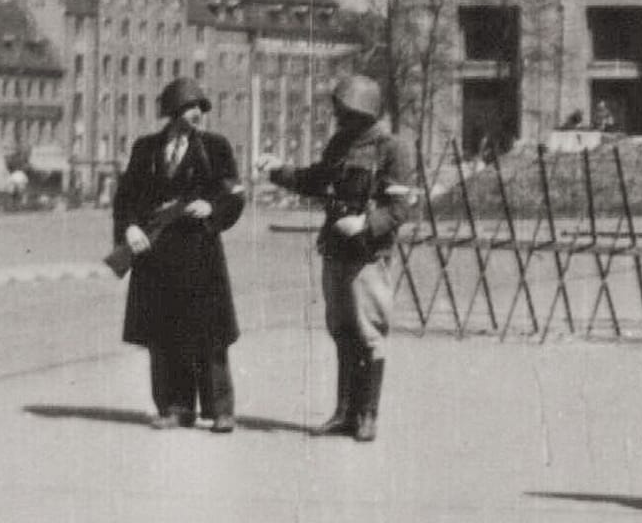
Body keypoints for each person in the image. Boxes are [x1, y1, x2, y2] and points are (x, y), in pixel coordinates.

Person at [269, 73, 418, 443]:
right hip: (335, 250)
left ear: (365, 112)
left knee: (369, 333)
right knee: (342, 332)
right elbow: (316, 180)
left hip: (367, 253)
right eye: (340, 111)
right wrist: (277, 171)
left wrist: (367, 224)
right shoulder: (339, 144)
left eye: (346, 112)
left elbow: (400, 207)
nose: (339, 118)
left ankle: (367, 414)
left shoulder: (392, 148)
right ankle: (343, 412)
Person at [114, 77, 246, 431]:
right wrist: (129, 228)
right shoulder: (145, 149)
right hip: (156, 254)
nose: (198, 114)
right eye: (190, 108)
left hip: (200, 253)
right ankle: (175, 406)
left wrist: (212, 207)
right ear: (173, 112)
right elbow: (125, 197)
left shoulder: (214, 148)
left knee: (209, 335)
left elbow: (234, 193)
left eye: (200, 108)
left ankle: (220, 410)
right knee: (164, 334)